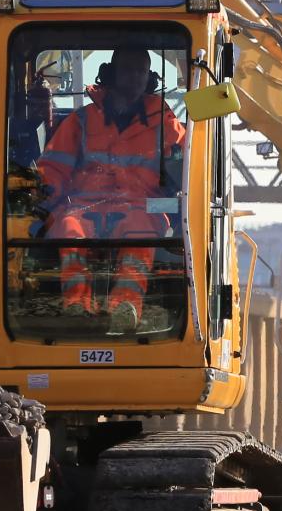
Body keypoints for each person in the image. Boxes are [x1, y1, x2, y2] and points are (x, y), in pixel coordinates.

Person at [35, 47, 185, 334]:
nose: (134, 77)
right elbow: (53, 167)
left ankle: (124, 308)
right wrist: (43, 203)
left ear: (149, 78)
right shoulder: (81, 120)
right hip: (84, 205)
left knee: (140, 232)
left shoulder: (165, 123)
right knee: (68, 228)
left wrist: (181, 196)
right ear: (110, 74)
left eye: (141, 71)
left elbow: (191, 164)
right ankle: (77, 306)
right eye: (128, 69)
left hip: (141, 206)